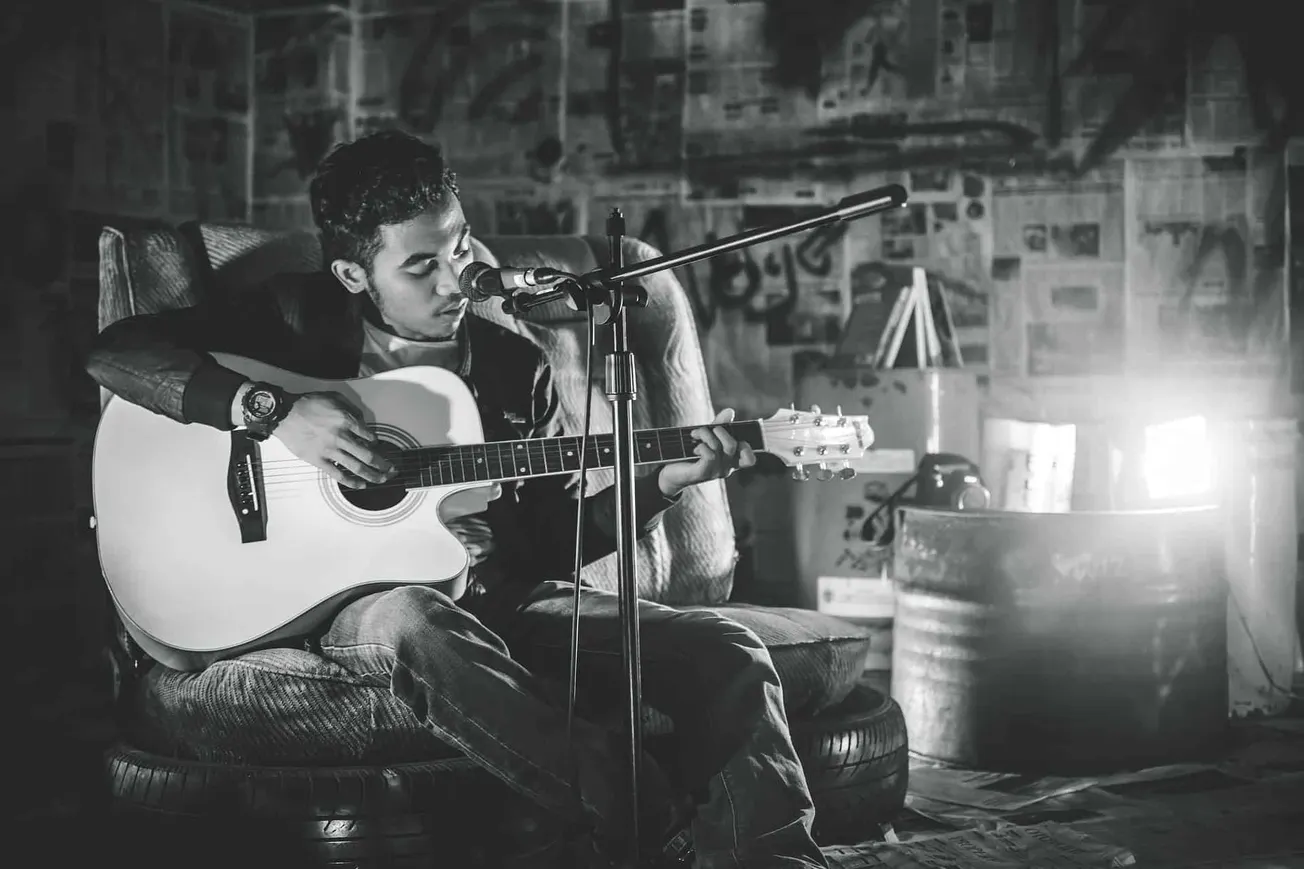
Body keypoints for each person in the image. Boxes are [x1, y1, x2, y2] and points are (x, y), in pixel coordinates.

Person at [86, 131, 830, 869]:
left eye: (461, 247)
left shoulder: (513, 365)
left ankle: (778, 862)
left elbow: (549, 539)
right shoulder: (290, 317)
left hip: (496, 597)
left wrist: (660, 483)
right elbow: (116, 354)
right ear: (352, 273)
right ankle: (654, 834)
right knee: (415, 616)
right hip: (356, 607)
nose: (456, 281)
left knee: (727, 649)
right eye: (421, 267)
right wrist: (273, 411)